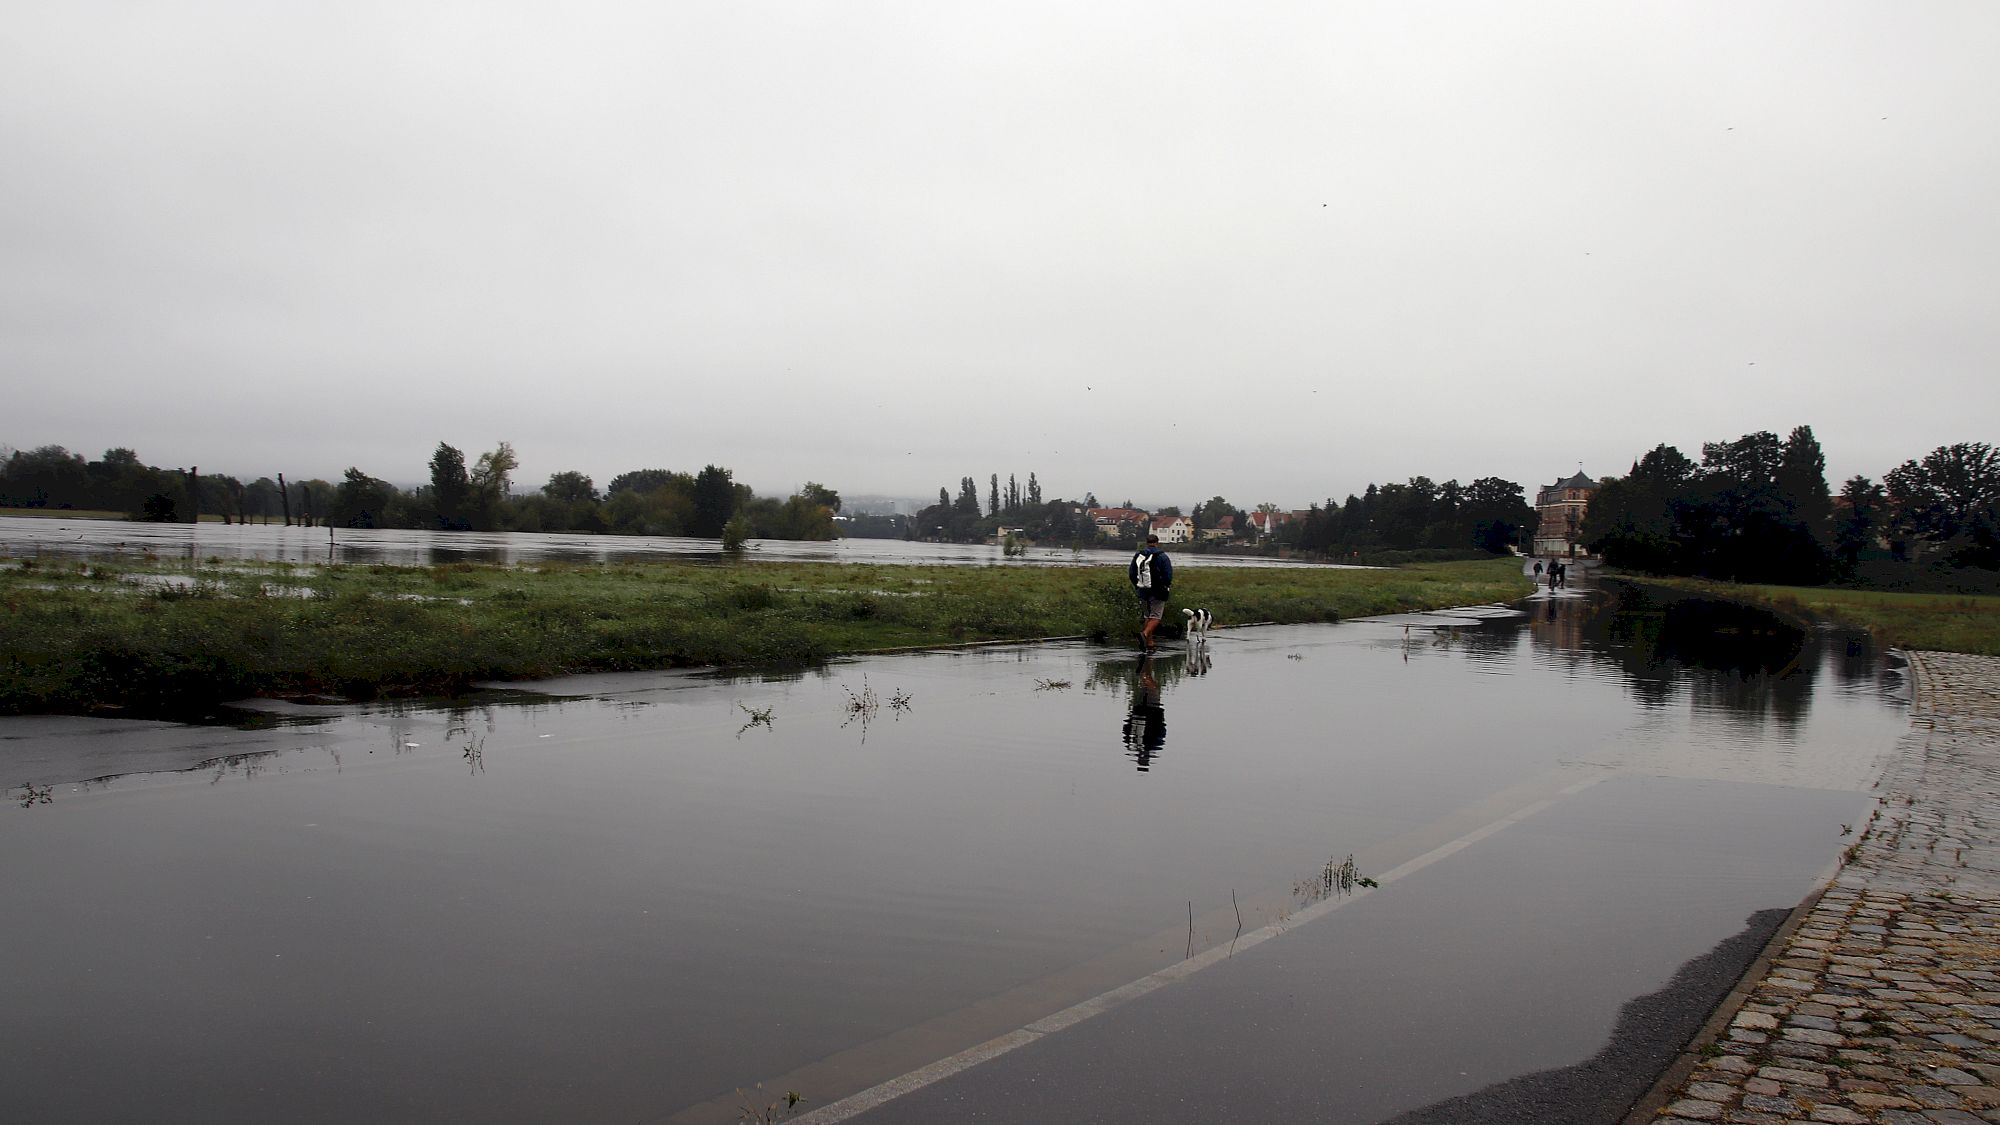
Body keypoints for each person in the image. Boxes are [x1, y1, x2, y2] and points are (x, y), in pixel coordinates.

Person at [1129, 534, 1173, 650]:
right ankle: (1144, 634)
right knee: (1156, 617)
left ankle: (1149, 642)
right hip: (1158, 591)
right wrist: (1165, 586)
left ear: (1147, 542)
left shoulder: (1139, 555)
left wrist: (1137, 585)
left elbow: (1132, 573)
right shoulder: (1163, 557)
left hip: (1142, 590)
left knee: (1147, 616)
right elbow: (1168, 576)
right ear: (1157, 542)